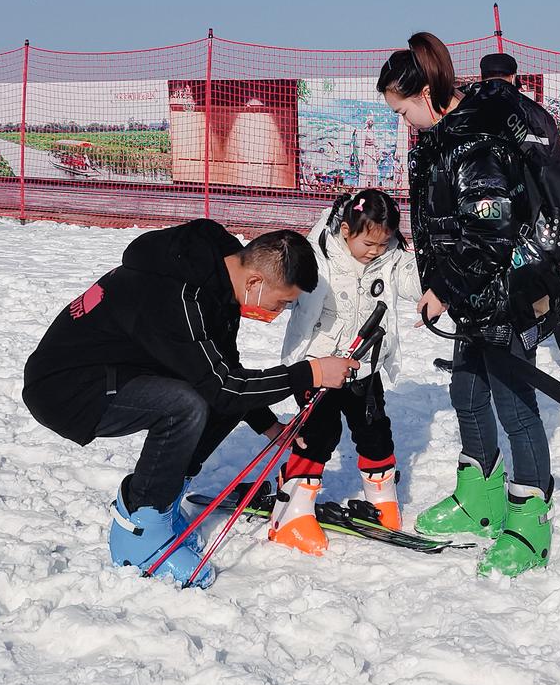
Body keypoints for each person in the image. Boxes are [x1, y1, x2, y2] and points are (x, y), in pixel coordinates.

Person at [22, 220, 359, 587]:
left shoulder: (218, 277)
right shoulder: (178, 293)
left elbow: (225, 374)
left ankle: (163, 505)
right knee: (186, 404)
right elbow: (225, 387)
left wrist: (269, 426)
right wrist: (310, 373)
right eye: (281, 303)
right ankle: (140, 526)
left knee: (218, 398)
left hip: (117, 372)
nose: (277, 313)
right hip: (66, 388)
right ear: (255, 283)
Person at [380, 32, 560, 578]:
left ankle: (531, 516)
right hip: (470, 296)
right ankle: (478, 495)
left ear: (428, 91)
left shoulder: (477, 141)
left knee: (514, 403)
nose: (403, 120)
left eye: (403, 108)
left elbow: (490, 233)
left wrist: (447, 287)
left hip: (506, 294)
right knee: (466, 389)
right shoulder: (440, 139)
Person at [267, 189, 424, 555]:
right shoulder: (317, 258)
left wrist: (436, 284)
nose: (375, 251)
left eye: (383, 244)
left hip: (364, 367)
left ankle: (382, 500)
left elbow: (413, 281)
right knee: (319, 434)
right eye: (368, 243)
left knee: (375, 431)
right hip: (317, 366)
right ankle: (291, 512)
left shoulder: (390, 256)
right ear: (345, 230)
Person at [479, 51, 560, 389]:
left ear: (482, 77)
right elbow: (558, 175)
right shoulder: (538, 115)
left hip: (485, 217)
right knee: (552, 285)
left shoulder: (468, 108)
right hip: (535, 217)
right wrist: (558, 224)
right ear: (515, 77)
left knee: (483, 285)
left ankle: (474, 363)